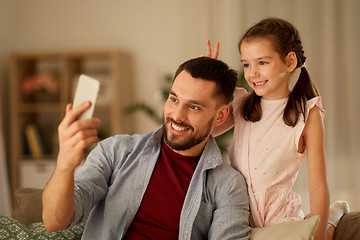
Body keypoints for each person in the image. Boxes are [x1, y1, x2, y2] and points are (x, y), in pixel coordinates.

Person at [42, 56, 251, 239]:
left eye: (194, 106)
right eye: (174, 99)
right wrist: (64, 166)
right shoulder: (116, 152)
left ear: (221, 115)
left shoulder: (228, 185)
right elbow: (55, 222)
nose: (177, 115)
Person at [206, 18, 349, 240]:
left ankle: (332, 217)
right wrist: (209, 85)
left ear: (290, 61)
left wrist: (319, 236)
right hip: (240, 219)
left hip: (283, 221)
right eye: (246, 64)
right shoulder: (241, 105)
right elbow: (205, 130)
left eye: (262, 62)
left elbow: (318, 184)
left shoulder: (306, 114)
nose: (252, 73)